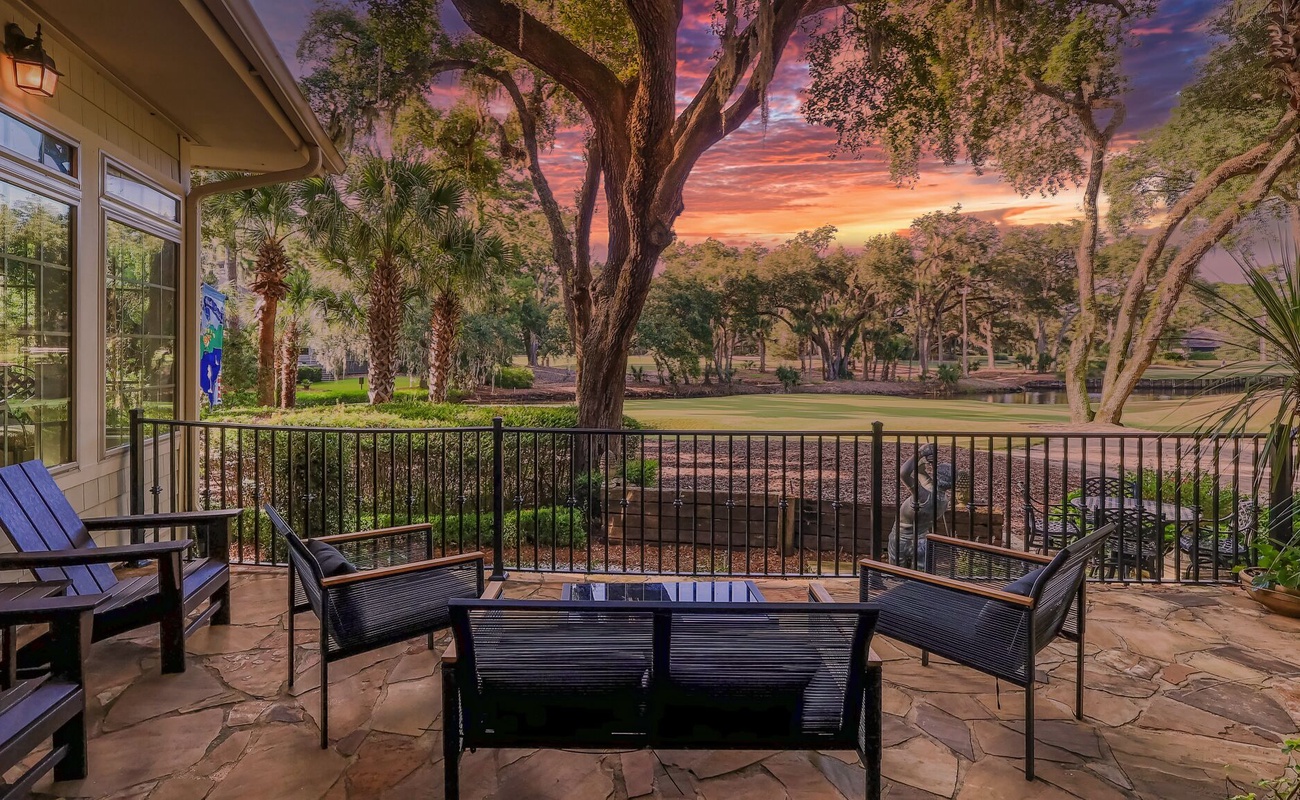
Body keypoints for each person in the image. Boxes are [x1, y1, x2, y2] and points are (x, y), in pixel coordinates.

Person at [888, 443, 955, 568]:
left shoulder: (924, 495)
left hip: (902, 539)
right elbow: (920, 471)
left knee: (896, 575)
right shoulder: (943, 500)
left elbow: (903, 473)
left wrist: (919, 454)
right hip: (921, 541)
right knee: (918, 575)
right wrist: (927, 460)